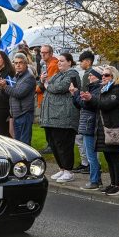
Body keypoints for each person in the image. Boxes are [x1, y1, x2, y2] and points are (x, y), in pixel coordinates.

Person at [81, 66, 119, 195]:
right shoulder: (105, 89)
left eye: (106, 75)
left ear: (113, 76)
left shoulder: (118, 89)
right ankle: (112, 184)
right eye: (102, 75)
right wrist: (88, 99)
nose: (103, 77)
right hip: (105, 128)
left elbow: (106, 104)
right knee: (108, 157)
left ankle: (118, 185)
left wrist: (92, 98)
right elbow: (99, 105)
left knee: (114, 157)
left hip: (114, 128)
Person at [41, 53, 81, 183]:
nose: (59, 63)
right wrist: (43, 81)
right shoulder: (58, 74)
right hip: (52, 117)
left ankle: (69, 170)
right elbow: (47, 85)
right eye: (58, 61)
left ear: (69, 62)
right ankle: (62, 168)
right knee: (54, 143)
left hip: (64, 116)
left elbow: (59, 87)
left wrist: (47, 85)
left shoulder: (72, 74)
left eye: (62, 61)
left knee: (64, 144)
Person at [72, 66, 104, 190]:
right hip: (86, 123)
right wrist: (75, 95)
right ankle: (96, 179)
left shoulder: (97, 89)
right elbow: (80, 105)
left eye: (92, 75)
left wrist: (76, 94)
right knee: (90, 154)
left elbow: (87, 105)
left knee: (91, 155)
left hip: (90, 124)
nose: (89, 77)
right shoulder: (92, 88)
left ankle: (95, 180)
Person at [0, 53, 36, 145]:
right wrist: (0, 87)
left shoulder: (29, 78)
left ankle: (27, 160)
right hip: (16, 114)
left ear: (26, 64)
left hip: (25, 114)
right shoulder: (16, 77)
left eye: (20, 63)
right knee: (18, 144)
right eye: (16, 63)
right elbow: (8, 95)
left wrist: (5, 86)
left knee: (24, 144)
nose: (18, 65)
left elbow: (18, 93)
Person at [72, 50, 95, 175]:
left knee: (82, 138)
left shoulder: (88, 74)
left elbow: (85, 91)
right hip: (87, 108)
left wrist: (77, 94)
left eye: (81, 61)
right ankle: (86, 163)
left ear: (88, 61)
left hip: (85, 109)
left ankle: (87, 163)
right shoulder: (90, 73)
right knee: (82, 138)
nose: (80, 64)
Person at [36, 44, 59, 154]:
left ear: (50, 53)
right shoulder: (47, 64)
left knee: (49, 124)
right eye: (41, 52)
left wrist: (39, 85)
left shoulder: (53, 64)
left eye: (45, 52)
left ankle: (51, 145)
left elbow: (46, 84)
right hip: (45, 98)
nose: (42, 54)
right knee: (47, 124)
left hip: (48, 99)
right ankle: (50, 145)